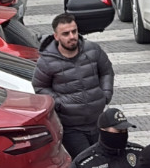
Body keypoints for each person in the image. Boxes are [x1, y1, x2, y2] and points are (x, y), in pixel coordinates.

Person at [33, 13, 115, 160]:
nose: (72, 36)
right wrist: (60, 103)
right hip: (72, 128)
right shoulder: (46, 61)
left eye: (74, 31)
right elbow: (40, 87)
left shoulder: (93, 50)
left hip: (98, 121)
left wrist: (106, 94)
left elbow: (106, 71)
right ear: (56, 36)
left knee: (105, 161)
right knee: (86, 163)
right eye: (66, 33)